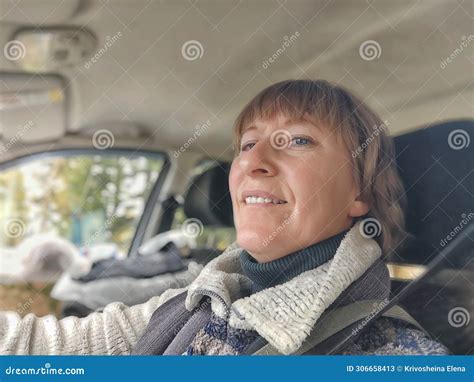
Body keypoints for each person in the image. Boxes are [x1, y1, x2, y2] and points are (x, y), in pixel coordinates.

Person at [0, 80, 449, 355]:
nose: (255, 162)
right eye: (248, 144)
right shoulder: (196, 300)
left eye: (297, 140)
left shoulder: (391, 352)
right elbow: (46, 351)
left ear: (360, 194)